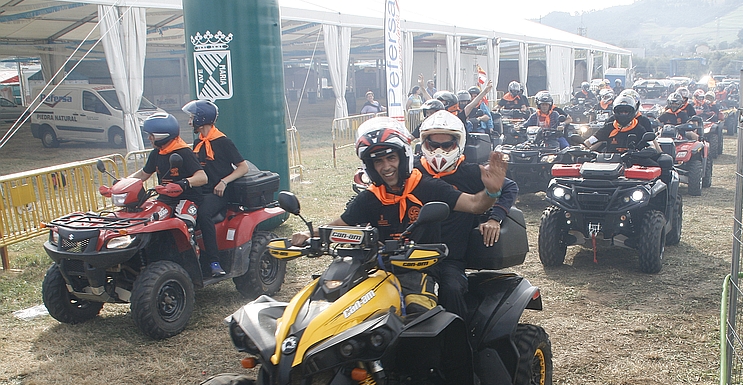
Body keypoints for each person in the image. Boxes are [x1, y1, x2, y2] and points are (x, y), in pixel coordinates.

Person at [291, 117, 508, 312]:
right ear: (370, 166)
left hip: (433, 265)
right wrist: (309, 234)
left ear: (402, 158)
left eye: (391, 158)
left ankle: (460, 352)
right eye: (378, 161)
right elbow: (339, 225)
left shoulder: (428, 187)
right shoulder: (370, 197)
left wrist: (492, 192)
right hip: (382, 267)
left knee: (450, 290)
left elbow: (474, 205)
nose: (386, 167)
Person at [416, 110, 518, 320]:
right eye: (433, 144)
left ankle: (460, 347)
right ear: (424, 143)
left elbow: (509, 188)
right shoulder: (413, 173)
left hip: (450, 258)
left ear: (458, 143)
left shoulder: (472, 172)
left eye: (446, 145)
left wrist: (494, 217)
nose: (439, 151)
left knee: (451, 290)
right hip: (412, 254)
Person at [182, 99, 250, 277]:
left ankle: (214, 262)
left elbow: (243, 167)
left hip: (217, 193)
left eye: (192, 117)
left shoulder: (223, 141)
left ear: (201, 118)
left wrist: (224, 181)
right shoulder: (198, 142)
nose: (190, 121)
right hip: (200, 191)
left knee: (202, 214)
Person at [129, 112, 207, 231]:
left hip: (188, 198)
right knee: (147, 220)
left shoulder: (183, 152)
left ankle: (192, 247)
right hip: (165, 199)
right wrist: (124, 182)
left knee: (184, 221)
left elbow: (202, 177)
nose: (149, 138)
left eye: (152, 135)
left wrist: (184, 183)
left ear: (162, 135)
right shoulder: (157, 153)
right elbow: (144, 173)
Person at [584, 92, 652, 153]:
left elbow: (650, 145)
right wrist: (583, 146)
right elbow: (593, 139)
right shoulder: (609, 126)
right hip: (609, 163)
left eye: (626, 112)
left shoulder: (639, 128)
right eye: (620, 112)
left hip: (633, 162)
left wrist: (644, 152)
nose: (623, 114)